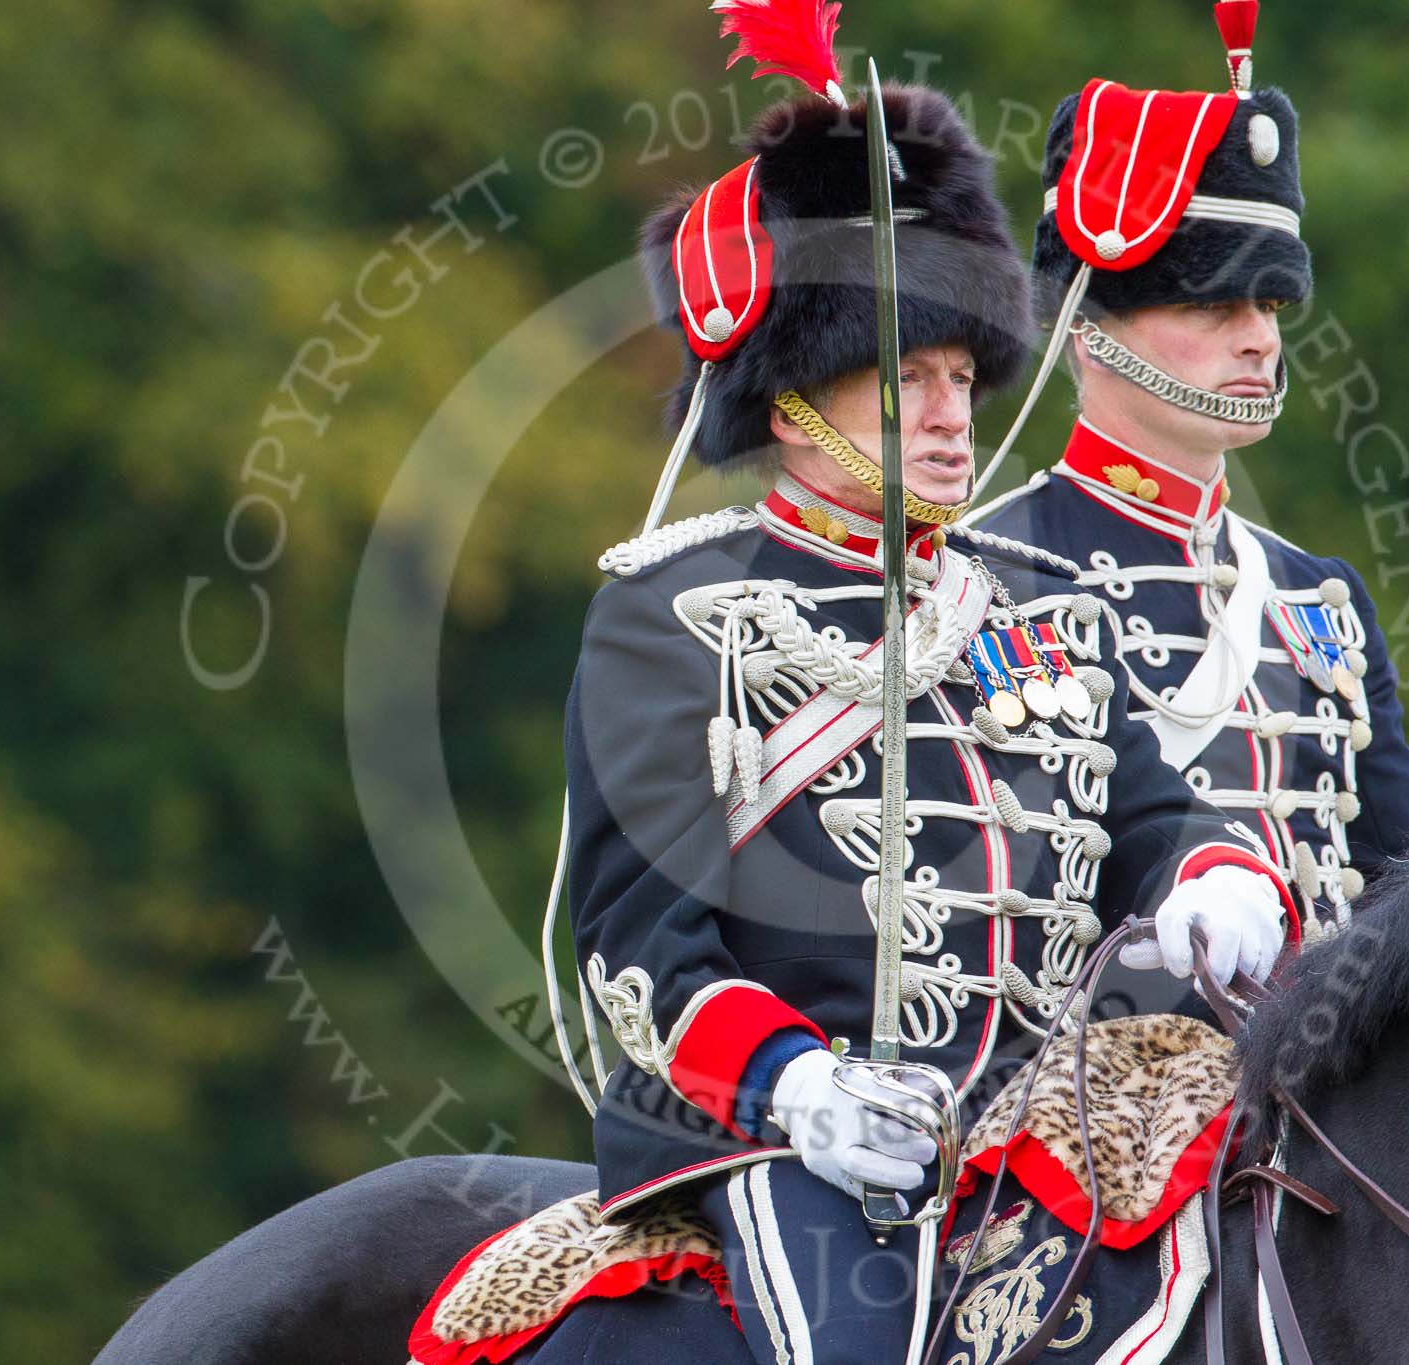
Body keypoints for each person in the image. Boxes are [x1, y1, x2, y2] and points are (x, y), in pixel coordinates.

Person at [555, 60, 1297, 1365]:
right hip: (788, 1135)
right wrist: (801, 1083)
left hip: (1044, 1122)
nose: (955, 418)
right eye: (910, 380)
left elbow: (1153, 814)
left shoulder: (1020, 608)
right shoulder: (675, 613)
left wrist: (1215, 876)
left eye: (964, 375)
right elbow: (640, 956)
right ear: (791, 402)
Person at [972, 1, 1409, 928]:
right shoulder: (985, 577)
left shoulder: (1321, 603)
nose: (1261, 339)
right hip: (1080, 1061)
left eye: (1271, 305)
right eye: (1214, 307)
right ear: (1086, 324)